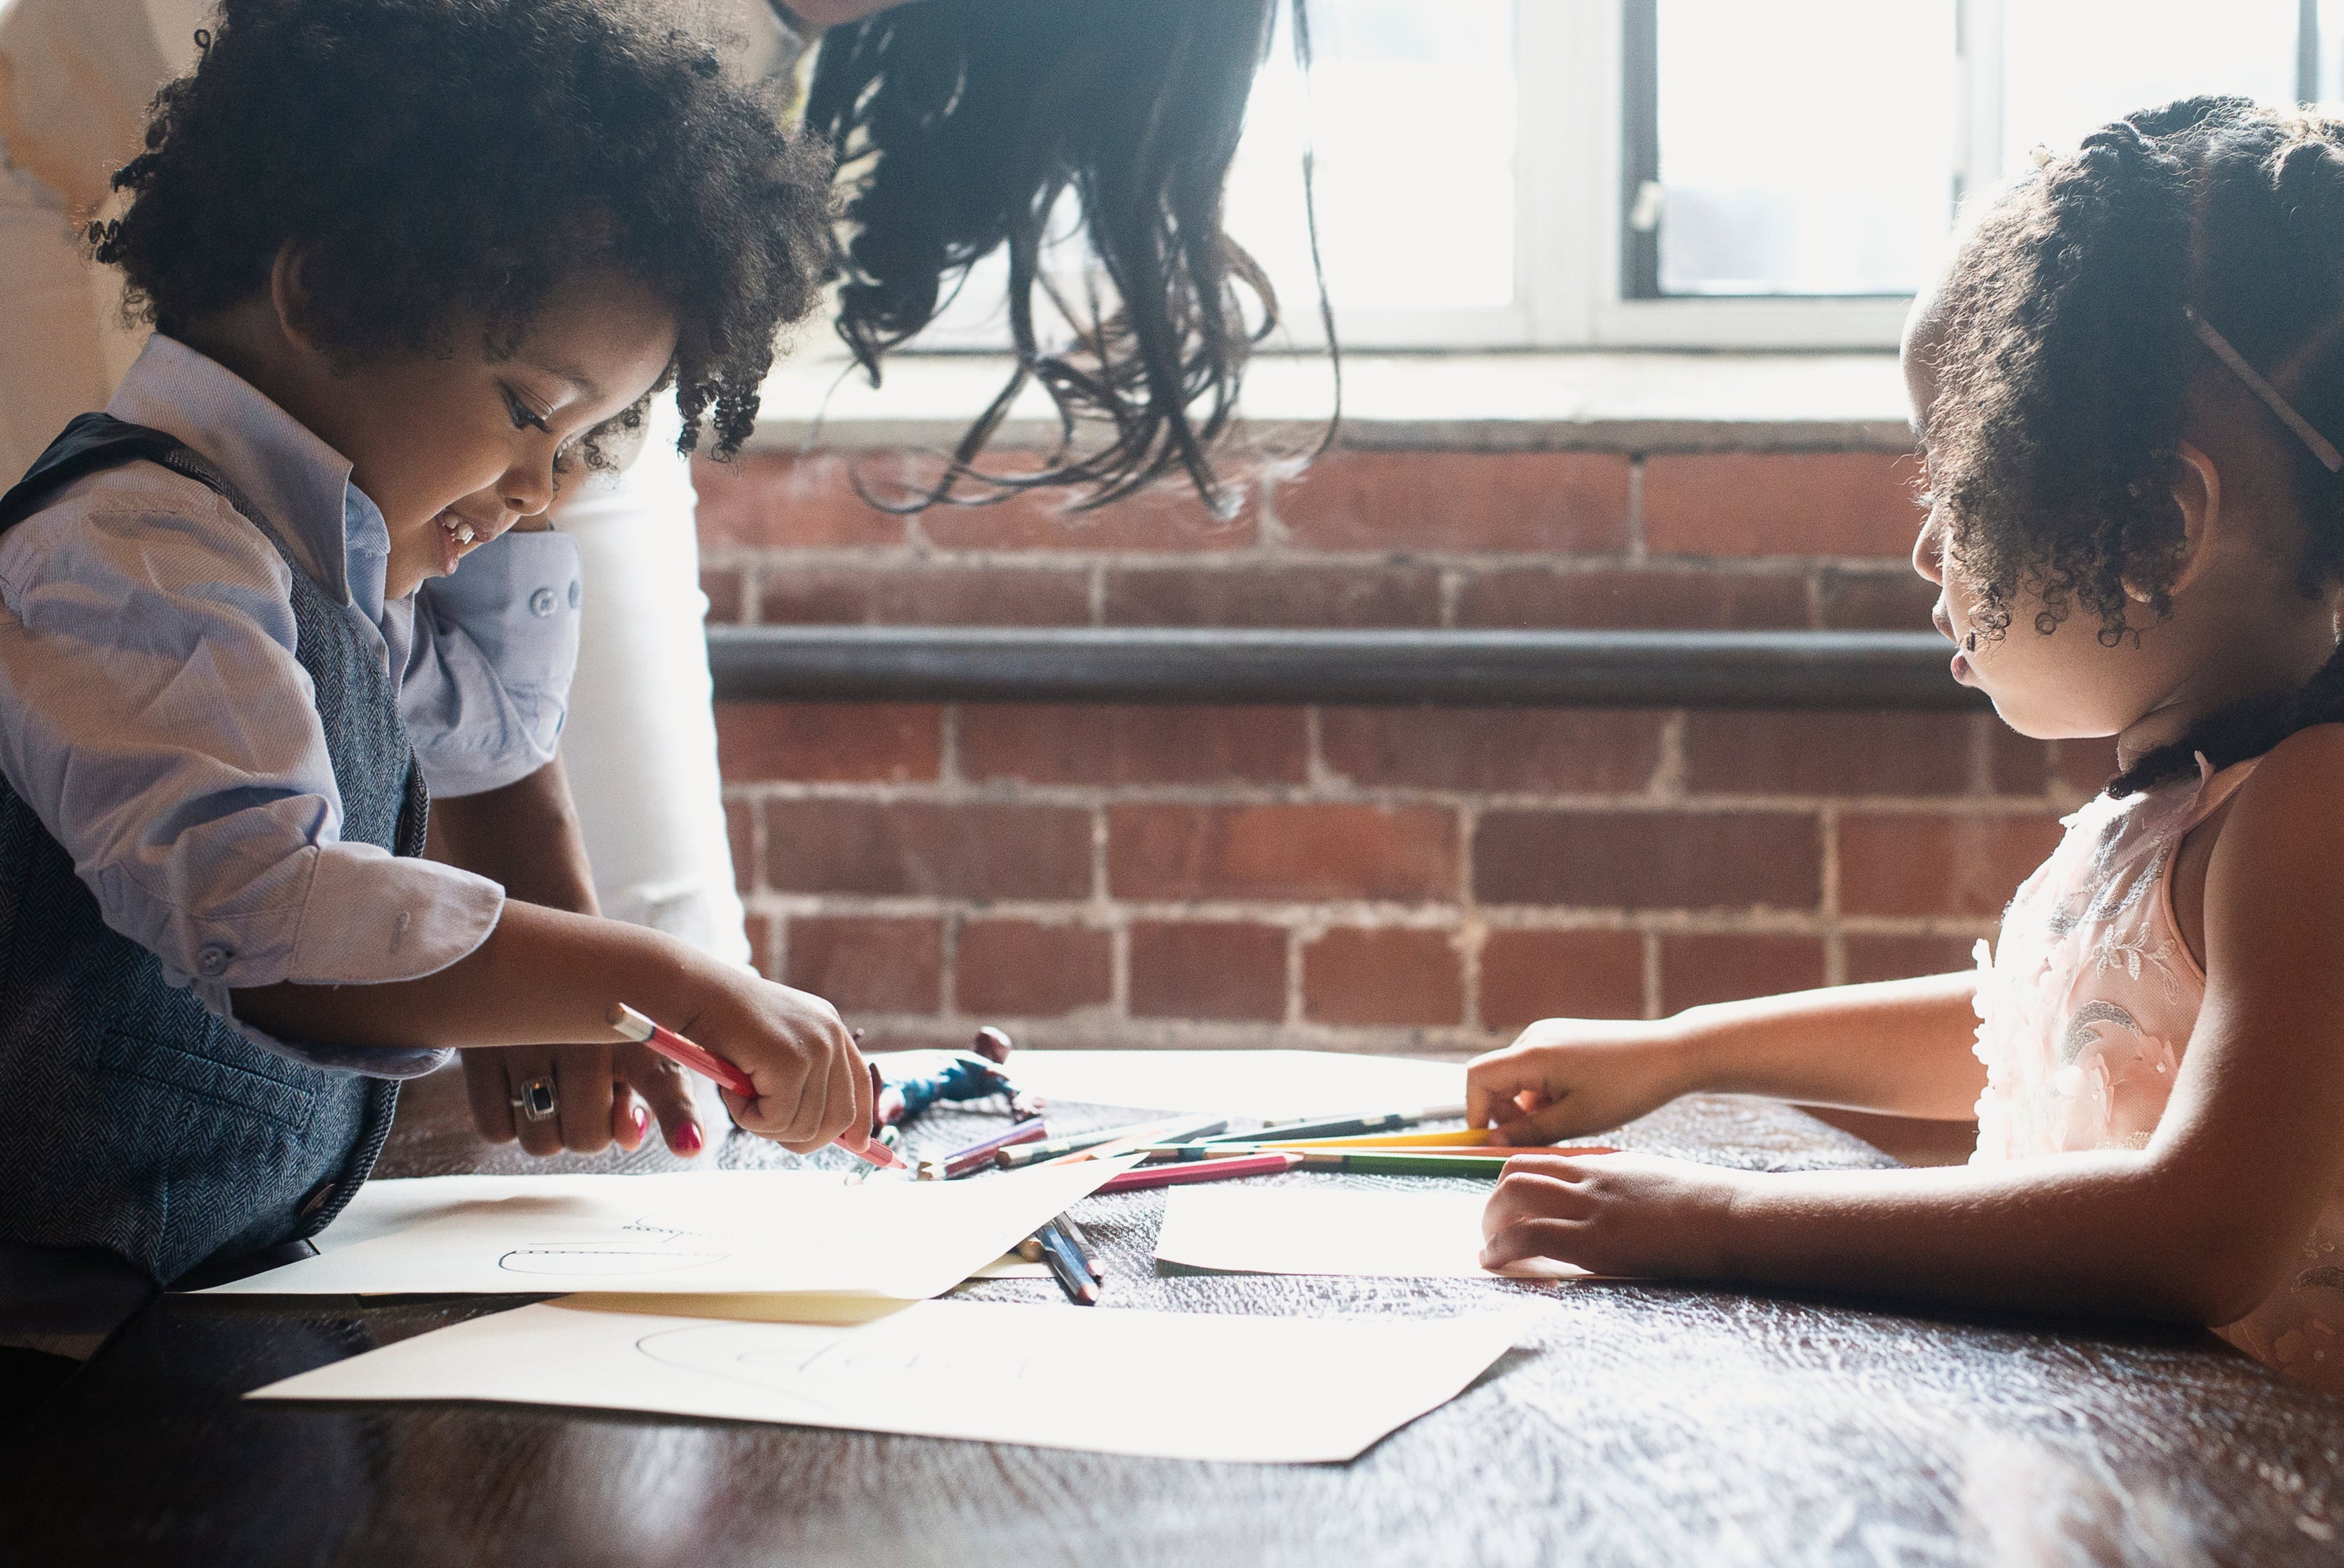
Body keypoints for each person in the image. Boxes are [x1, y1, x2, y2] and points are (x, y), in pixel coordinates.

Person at [1469, 98, 2344, 1393]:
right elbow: (2039, 1026)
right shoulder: (2179, 807)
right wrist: (1683, 1047)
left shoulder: (2313, 809)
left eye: (1959, 479)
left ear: (2159, 526)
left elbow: (2204, 1226)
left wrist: (1715, 1222)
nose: (1930, 546)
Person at [0, 0, 874, 1286]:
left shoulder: (332, 576)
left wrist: (585, 992)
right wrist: (663, 979)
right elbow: (270, 914)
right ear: (331, 290)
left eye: (582, 445)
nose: (543, 485)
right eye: (531, 413)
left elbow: (479, 722)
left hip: (196, 1287)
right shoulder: (137, 557)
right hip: (55, 1328)